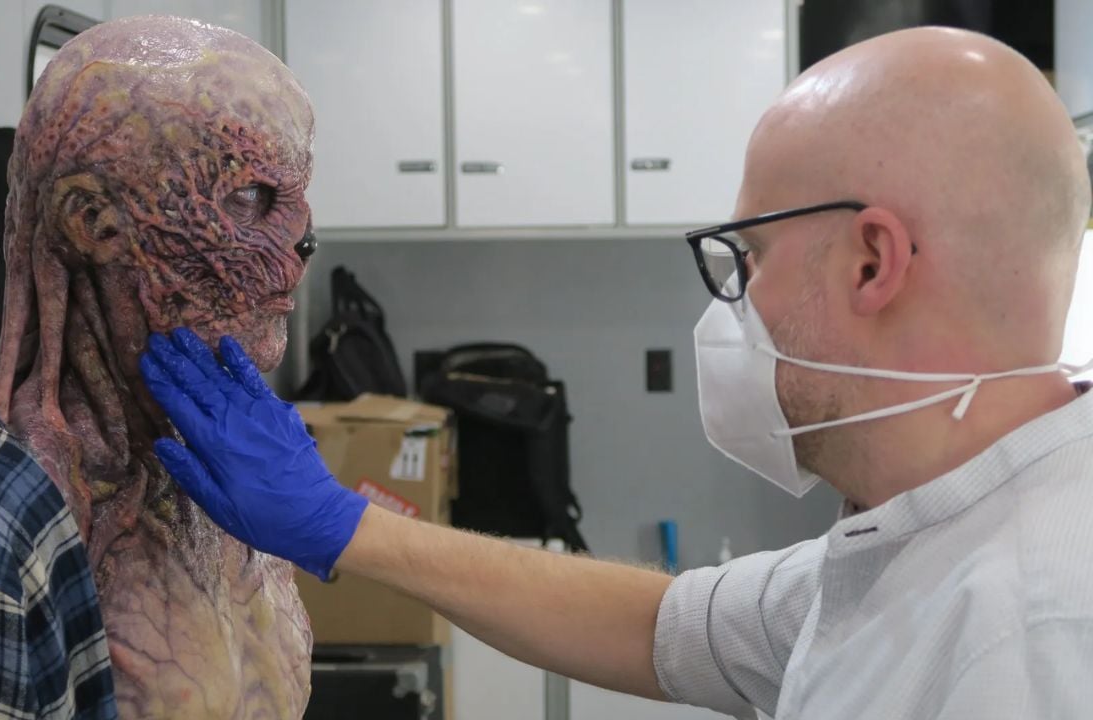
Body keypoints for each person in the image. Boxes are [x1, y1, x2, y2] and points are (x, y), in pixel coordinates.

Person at [140, 26, 1093, 718]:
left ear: (872, 264)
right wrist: (346, 525)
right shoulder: (925, 539)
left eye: (749, 258)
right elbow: (660, 626)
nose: (734, 300)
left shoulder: (1034, 635)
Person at [0, 16, 318, 720]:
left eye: (298, 196)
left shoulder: (206, 472)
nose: (303, 240)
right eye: (249, 196)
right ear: (92, 220)